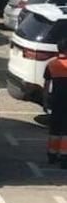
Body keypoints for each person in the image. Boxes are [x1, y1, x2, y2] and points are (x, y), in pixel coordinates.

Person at [43, 40, 67, 168]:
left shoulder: (51, 64)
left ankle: (52, 155)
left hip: (56, 101)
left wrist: (45, 100)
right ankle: (64, 157)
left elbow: (46, 86)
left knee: (55, 130)